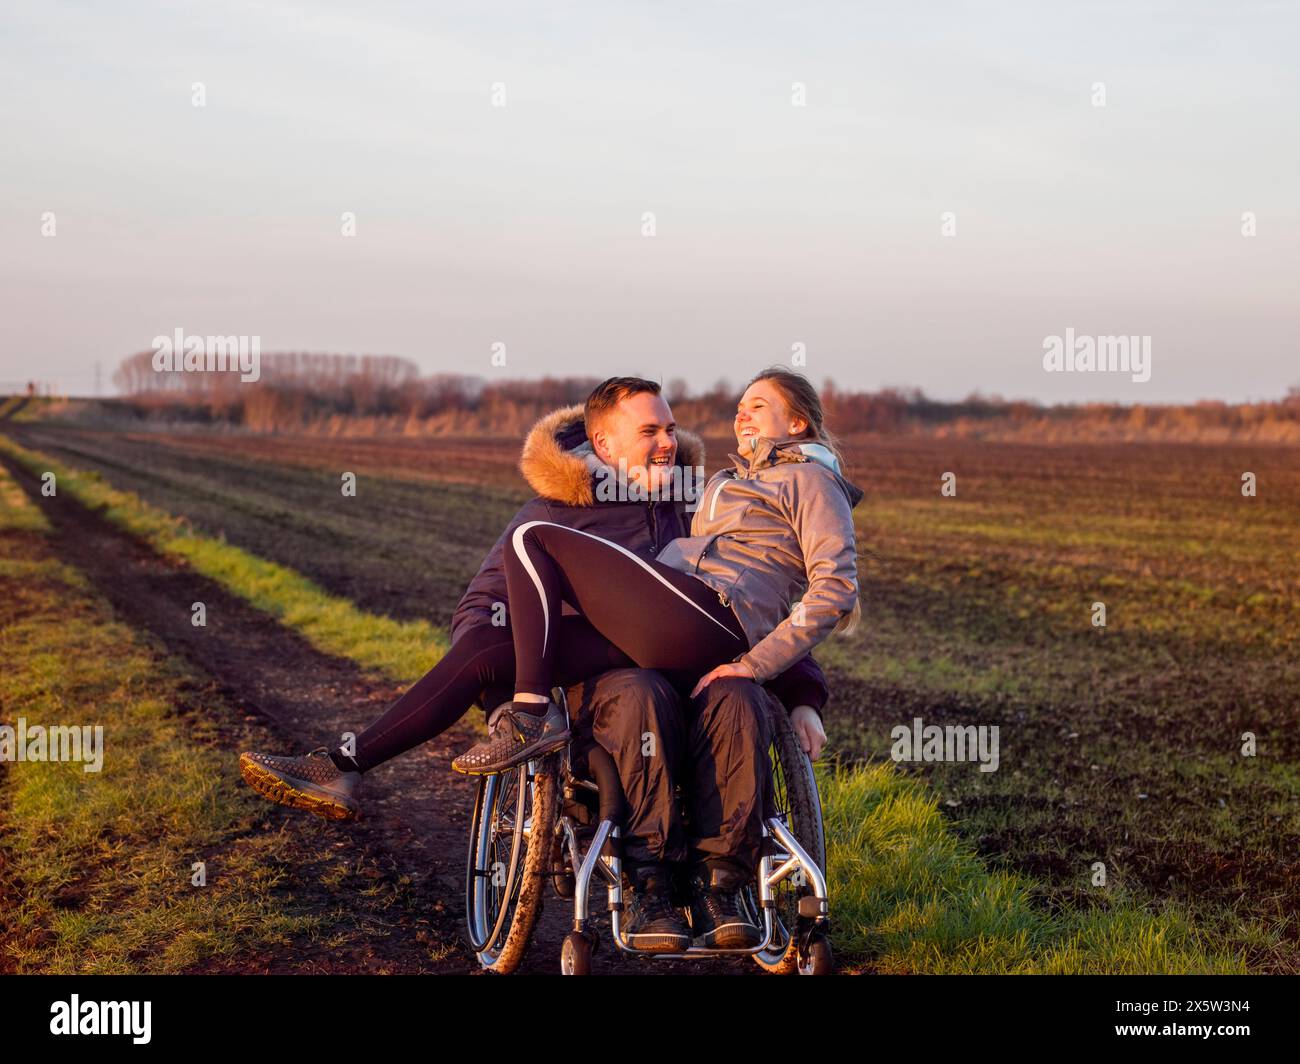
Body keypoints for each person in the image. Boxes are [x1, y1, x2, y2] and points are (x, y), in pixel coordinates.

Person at [240, 376, 831, 951]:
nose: (667, 443)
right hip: (605, 684)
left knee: (739, 697)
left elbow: (754, 594)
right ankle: (649, 885)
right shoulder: (554, 512)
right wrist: (506, 700)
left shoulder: (696, 505)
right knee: (633, 689)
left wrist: (803, 694)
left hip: (703, 673)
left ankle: (724, 891)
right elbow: (483, 611)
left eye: (671, 429)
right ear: (603, 445)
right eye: (650, 431)